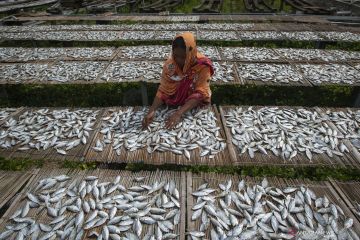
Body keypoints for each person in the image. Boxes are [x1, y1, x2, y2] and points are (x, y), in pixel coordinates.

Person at [142, 32, 214, 129]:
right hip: (176, 98)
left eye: (184, 57)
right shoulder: (170, 65)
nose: (179, 60)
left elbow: (201, 92)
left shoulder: (203, 66)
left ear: (190, 53)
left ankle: (186, 107)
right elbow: (163, 88)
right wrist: (152, 110)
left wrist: (179, 113)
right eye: (176, 56)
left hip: (195, 100)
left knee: (202, 93)